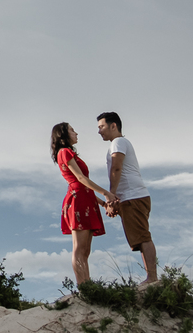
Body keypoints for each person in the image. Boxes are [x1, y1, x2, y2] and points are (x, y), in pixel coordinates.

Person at [51, 122, 117, 286]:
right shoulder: (64, 152)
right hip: (78, 200)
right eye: (72, 130)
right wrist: (106, 193)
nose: (76, 133)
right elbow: (80, 179)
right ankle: (84, 287)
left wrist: (102, 203)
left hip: (85, 198)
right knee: (80, 248)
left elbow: (84, 186)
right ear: (63, 135)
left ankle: (87, 285)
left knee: (85, 250)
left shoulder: (70, 153)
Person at [97, 111, 157, 284]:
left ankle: (152, 278)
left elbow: (116, 167)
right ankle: (151, 277)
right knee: (139, 238)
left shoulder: (118, 142)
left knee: (143, 237)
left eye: (101, 127)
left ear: (113, 125)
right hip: (131, 197)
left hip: (133, 197)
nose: (99, 131)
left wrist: (111, 197)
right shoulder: (118, 143)